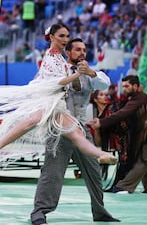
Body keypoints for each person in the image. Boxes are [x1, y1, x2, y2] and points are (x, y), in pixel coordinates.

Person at [0, 23, 117, 167]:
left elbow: (97, 82)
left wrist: (84, 73)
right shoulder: (50, 57)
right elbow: (58, 82)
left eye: (67, 36)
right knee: (30, 122)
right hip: (47, 101)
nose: (65, 39)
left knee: (76, 134)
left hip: (59, 105)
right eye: (62, 36)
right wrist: (76, 75)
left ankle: (101, 154)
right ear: (52, 37)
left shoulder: (61, 59)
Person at [30, 38, 120, 225]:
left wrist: (91, 72)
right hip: (59, 129)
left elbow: (105, 84)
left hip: (80, 129)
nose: (82, 53)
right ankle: (39, 212)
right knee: (52, 174)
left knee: (94, 172)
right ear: (68, 53)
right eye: (77, 50)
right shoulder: (57, 70)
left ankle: (100, 211)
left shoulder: (89, 73)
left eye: (84, 50)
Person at [88, 75, 147, 194]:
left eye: (127, 86)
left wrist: (101, 122)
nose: (124, 89)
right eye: (123, 86)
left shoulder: (140, 99)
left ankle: (125, 187)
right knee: (144, 161)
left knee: (142, 161)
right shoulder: (132, 100)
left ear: (135, 86)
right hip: (146, 137)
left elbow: (123, 114)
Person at [89, 89, 129, 183]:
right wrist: (97, 129)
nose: (105, 96)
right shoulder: (95, 117)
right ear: (95, 99)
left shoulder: (113, 109)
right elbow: (98, 142)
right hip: (109, 145)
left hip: (123, 141)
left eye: (105, 94)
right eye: (101, 95)